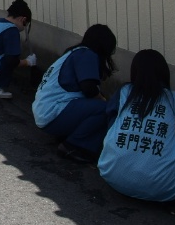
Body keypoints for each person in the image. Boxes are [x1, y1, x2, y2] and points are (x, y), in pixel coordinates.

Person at [98, 49, 175, 202]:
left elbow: (110, 117)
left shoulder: (125, 92)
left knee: (114, 119)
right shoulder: (174, 99)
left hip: (113, 176)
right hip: (167, 189)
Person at [32, 24, 117, 162]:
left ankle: (67, 136)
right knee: (105, 109)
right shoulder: (87, 54)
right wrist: (104, 100)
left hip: (44, 112)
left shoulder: (74, 52)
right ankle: (74, 146)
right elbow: (89, 89)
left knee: (95, 105)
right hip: (53, 113)